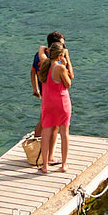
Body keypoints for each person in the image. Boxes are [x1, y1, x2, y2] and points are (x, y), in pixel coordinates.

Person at [38, 41, 73, 173]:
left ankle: (45, 166)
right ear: (59, 55)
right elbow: (68, 84)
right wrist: (66, 62)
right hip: (61, 103)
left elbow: (41, 50)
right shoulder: (60, 68)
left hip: (47, 103)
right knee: (64, 133)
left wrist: (46, 49)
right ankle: (64, 164)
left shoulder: (44, 64)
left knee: (46, 134)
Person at [30, 31, 64, 138]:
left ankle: (37, 139)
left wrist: (35, 88)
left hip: (43, 90)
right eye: (62, 45)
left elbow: (33, 71)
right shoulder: (55, 60)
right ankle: (43, 145)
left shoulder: (38, 55)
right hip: (52, 92)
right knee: (50, 120)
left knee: (44, 117)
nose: (64, 47)